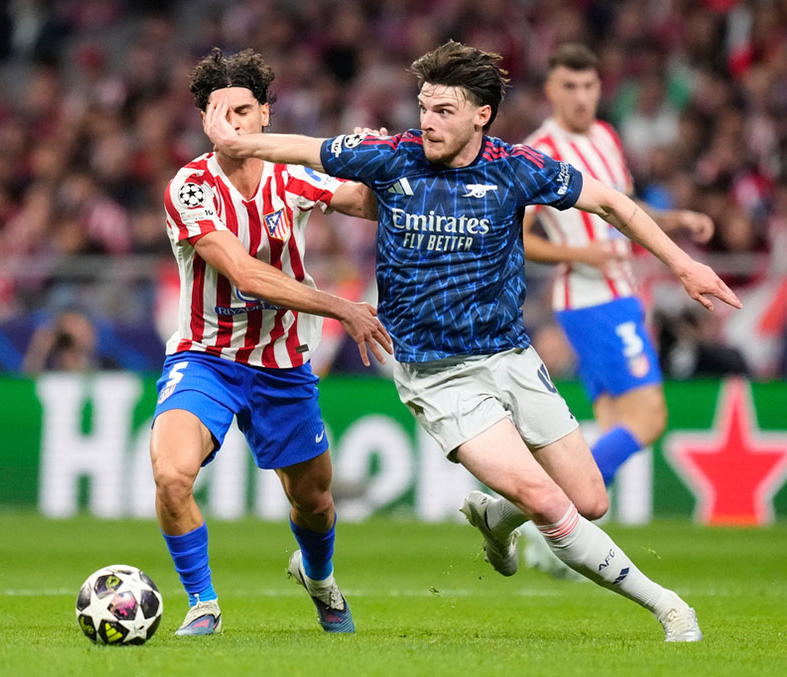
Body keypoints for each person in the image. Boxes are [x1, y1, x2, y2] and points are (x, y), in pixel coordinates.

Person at [204, 40, 741, 642]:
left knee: (590, 498)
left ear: (481, 115)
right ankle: (669, 607)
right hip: (437, 374)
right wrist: (239, 142)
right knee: (543, 494)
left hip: (510, 356)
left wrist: (682, 264)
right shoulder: (391, 157)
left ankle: (493, 515)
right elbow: (305, 148)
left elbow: (612, 203)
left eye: (444, 111)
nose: (428, 123)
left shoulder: (516, 168)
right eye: (424, 108)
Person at [151, 47, 392, 637]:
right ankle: (203, 602)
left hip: (281, 364)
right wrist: (341, 306)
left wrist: (378, 160)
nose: (232, 122)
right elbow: (246, 273)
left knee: (315, 502)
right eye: (218, 112)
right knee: (171, 474)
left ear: (266, 115)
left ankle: (320, 579)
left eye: (243, 109)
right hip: (205, 358)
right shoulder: (190, 188)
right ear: (204, 121)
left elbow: (368, 202)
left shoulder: (293, 175)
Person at [518, 44, 716, 578]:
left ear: (599, 89)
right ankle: (537, 516)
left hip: (617, 293)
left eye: (588, 87)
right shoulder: (539, 150)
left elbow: (625, 206)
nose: (580, 97)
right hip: (592, 298)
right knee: (650, 418)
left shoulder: (605, 136)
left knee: (612, 424)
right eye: (569, 87)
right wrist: (578, 253)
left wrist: (674, 218)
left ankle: (563, 543)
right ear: (551, 91)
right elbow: (520, 236)